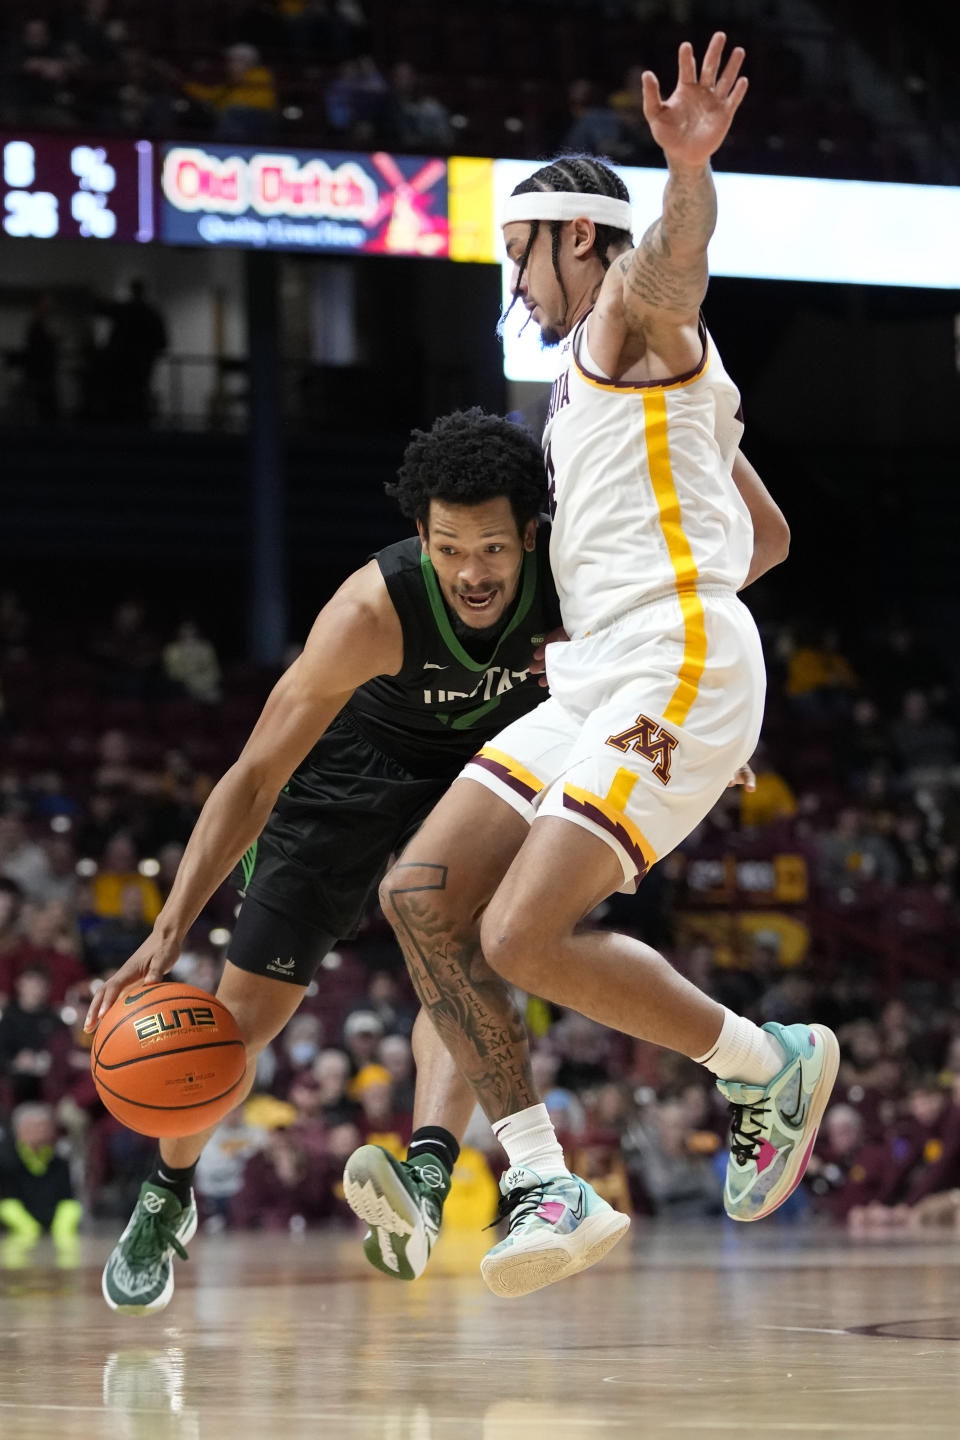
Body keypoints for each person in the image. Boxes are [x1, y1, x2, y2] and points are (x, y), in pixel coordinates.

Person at [347, 33, 838, 1298]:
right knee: (423, 898)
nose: (518, 281)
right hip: (617, 668)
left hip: (669, 653)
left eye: (522, 251)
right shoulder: (611, 391)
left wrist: (686, 172)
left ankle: (760, 1061)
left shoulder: (623, 319)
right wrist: (637, 632)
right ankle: (543, 1178)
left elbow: (670, 270)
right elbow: (767, 539)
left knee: (521, 933)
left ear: (575, 237)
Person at [84, 408, 565, 1313]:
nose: (472, 572)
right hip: (344, 777)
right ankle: (169, 1190)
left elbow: (692, 616)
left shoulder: (571, 577)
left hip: (478, 776)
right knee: (238, 1019)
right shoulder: (369, 609)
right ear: (420, 534)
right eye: (451, 548)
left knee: (463, 964)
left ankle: (424, 1175)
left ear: (530, 536)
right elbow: (255, 772)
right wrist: (169, 924)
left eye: (494, 550)